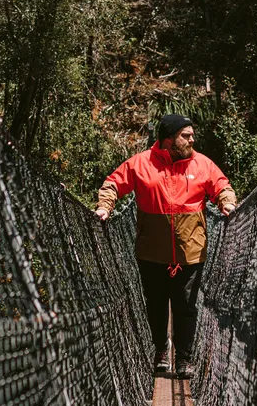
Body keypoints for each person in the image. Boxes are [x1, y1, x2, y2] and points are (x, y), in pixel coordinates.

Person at [95, 114, 236, 378]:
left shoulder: (202, 164)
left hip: (190, 251)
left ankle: (184, 359)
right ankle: (161, 349)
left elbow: (221, 186)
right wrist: (104, 208)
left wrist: (226, 202)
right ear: (168, 139)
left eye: (192, 134)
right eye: (186, 135)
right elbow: (112, 184)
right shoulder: (141, 164)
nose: (192, 138)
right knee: (156, 305)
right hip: (152, 252)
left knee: (185, 306)